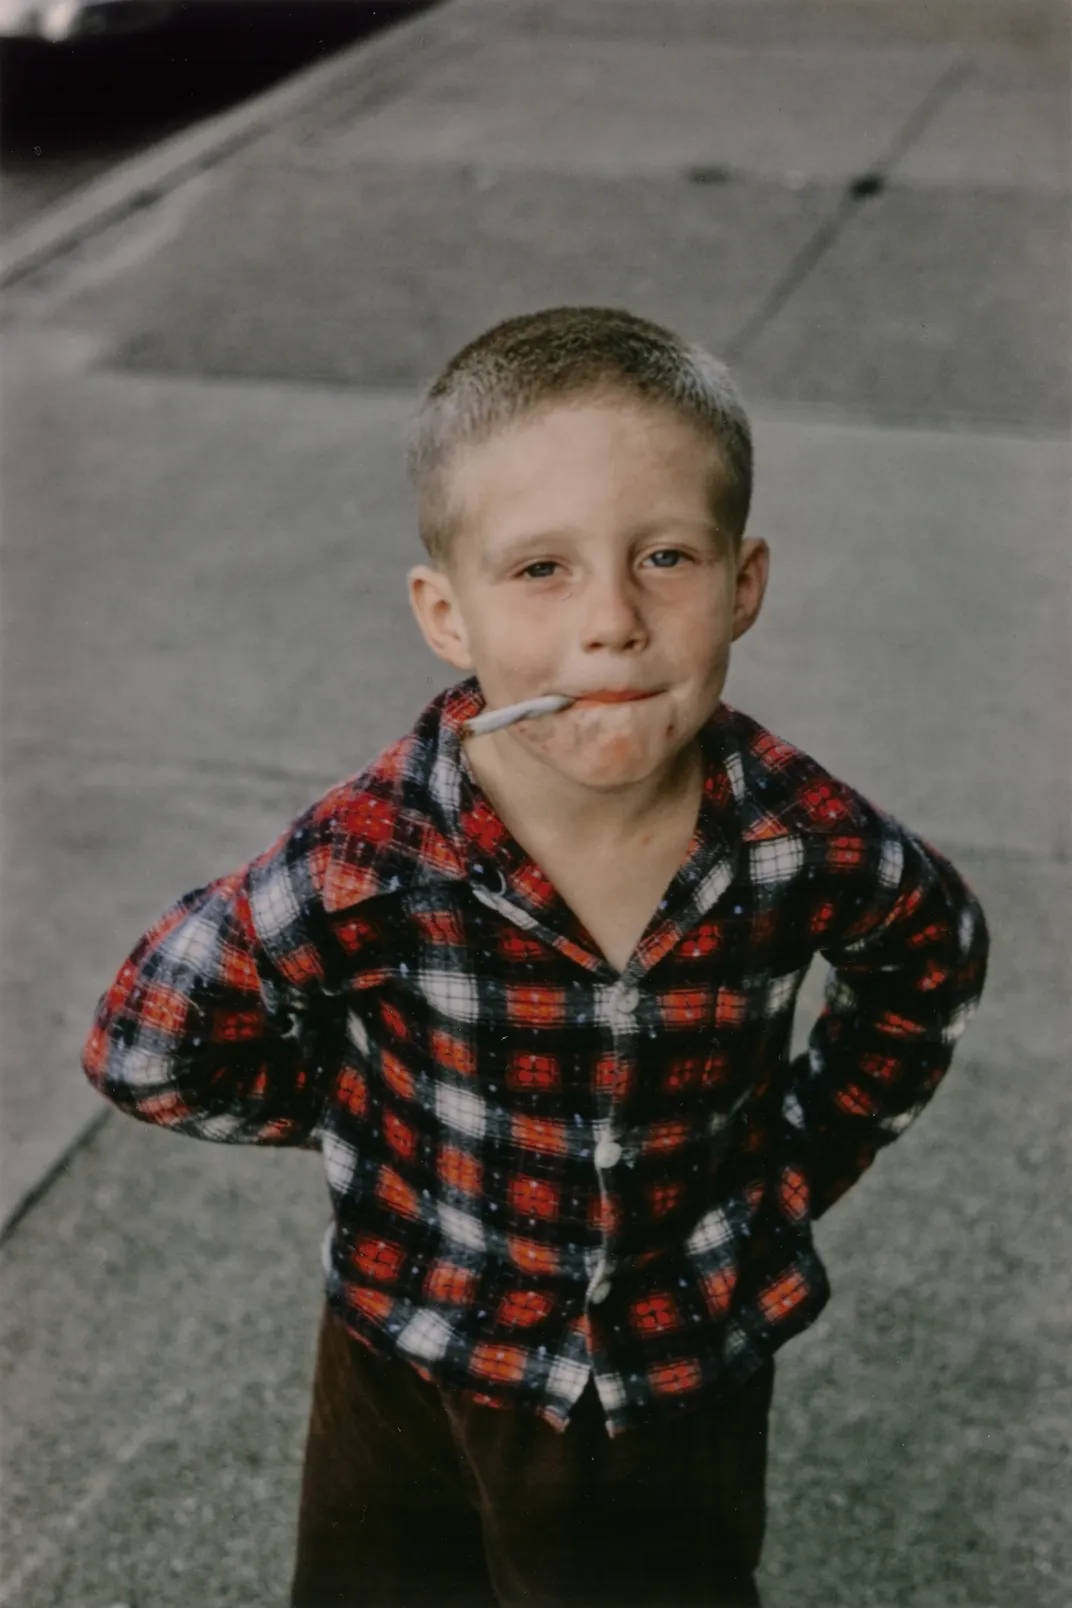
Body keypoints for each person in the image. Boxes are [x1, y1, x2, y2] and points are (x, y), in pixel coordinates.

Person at [82, 306, 990, 1608]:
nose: (612, 621)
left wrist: (789, 1166)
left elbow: (931, 961)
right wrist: (359, 1122)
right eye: (541, 571)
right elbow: (145, 1040)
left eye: (665, 556)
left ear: (744, 581)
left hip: (672, 1377)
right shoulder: (373, 857)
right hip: (409, 1343)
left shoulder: (808, 845)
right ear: (446, 615)